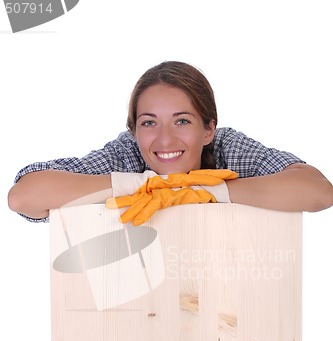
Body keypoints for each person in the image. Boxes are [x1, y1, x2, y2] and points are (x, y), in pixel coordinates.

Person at [8, 61, 333, 222]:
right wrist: (145, 186)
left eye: (182, 120)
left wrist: (202, 191)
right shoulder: (127, 154)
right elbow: (24, 197)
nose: (165, 139)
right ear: (134, 131)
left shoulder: (226, 148)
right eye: (149, 122)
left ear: (208, 129)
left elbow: (318, 191)